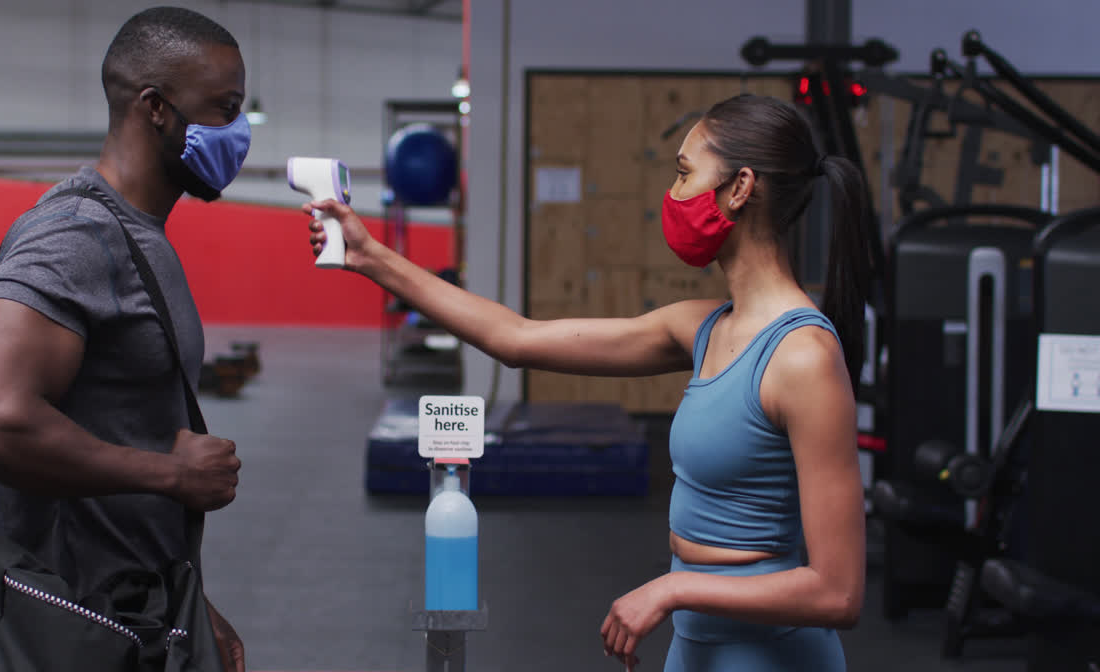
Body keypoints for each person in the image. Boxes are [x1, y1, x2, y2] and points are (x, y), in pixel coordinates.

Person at [303, 94, 871, 671]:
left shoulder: (803, 357)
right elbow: (516, 339)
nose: (673, 195)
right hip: (694, 650)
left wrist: (674, 589)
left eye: (684, 173)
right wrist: (372, 256)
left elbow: (837, 592)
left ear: (740, 187)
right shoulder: (701, 327)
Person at [0, 6, 250, 672]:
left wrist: (185, 598)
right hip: (69, 627)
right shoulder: (75, 234)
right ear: (155, 108)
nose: (237, 133)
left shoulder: (137, 234)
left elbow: (125, 428)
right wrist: (173, 473)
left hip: (135, 613)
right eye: (224, 108)